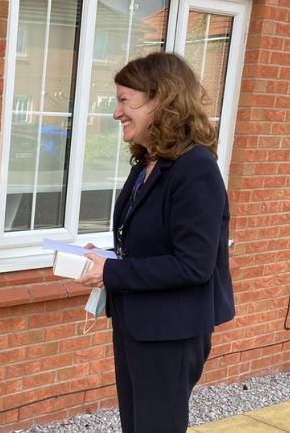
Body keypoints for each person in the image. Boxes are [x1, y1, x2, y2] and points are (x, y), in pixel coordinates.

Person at [75, 52, 235, 433]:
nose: (116, 113)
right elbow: (149, 243)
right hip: (137, 323)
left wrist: (113, 272)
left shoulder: (195, 168)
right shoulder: (147, 164)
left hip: (171, 332)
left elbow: (193, 265)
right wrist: (108, 258)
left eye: (124, 101)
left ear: (160, 100)